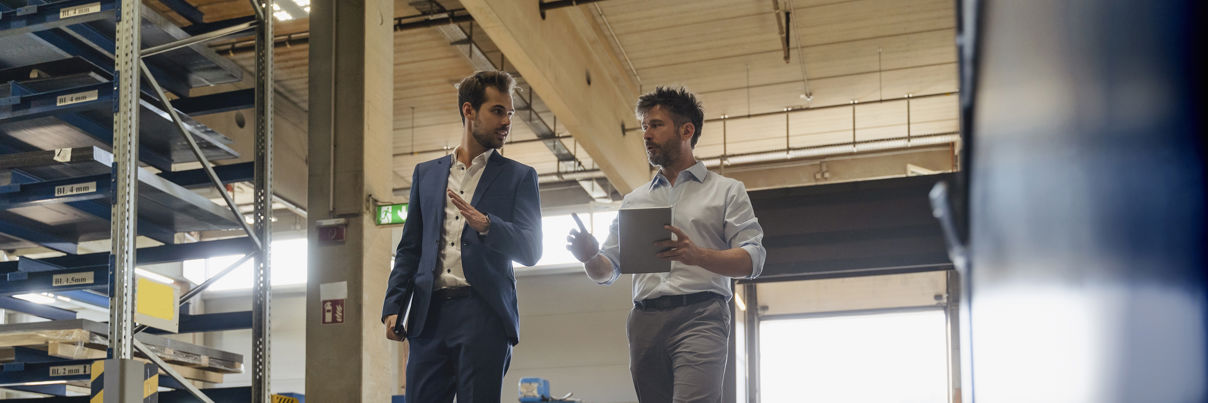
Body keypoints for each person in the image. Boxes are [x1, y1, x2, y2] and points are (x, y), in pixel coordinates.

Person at [566, 86, 766, 403]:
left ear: (687, 130)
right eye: (644, 127)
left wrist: (697, 255)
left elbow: (752, 260)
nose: (647, 134)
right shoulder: (635, 200)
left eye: (656, 125)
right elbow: (608, 271)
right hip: (644, 321)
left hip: (701, 315)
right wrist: (590, 256)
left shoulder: (726, 191)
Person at [382, 70, 542, 402]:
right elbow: (410, 248)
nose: (506, 121)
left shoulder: (520, 177)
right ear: (469, 111)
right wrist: (394, 305)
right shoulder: (426, 175)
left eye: (509, 113)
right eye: (497, 111)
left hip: (483, 315)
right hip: (429, 315)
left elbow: (531, 249)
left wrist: (488, 225)